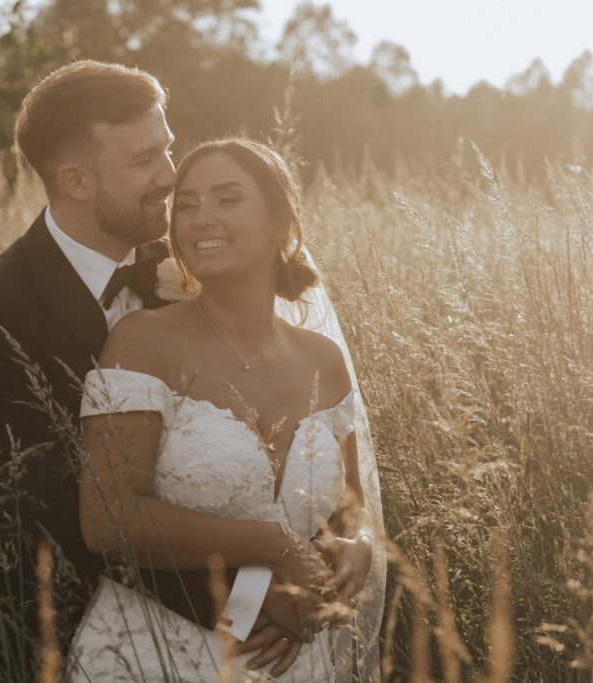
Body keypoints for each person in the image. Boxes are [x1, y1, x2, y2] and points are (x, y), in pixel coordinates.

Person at [0, 61, 304, 680]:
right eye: (143, 161)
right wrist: (246, 603)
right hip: (77, 622)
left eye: (167, 147)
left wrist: (318, 552)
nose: (171, 175)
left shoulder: (198, 255)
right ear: (76, 180)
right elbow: (69, 506)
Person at [69, 137, 386, 681]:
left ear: (280, 223)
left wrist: (359, 542)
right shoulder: (143, 342)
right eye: (186, 205)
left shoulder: (323, 360)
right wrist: (274, 546)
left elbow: (351, 505)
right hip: (156, 655)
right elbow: (107, 521)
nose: (200, 218)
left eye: (227, 199)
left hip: (292, 654)